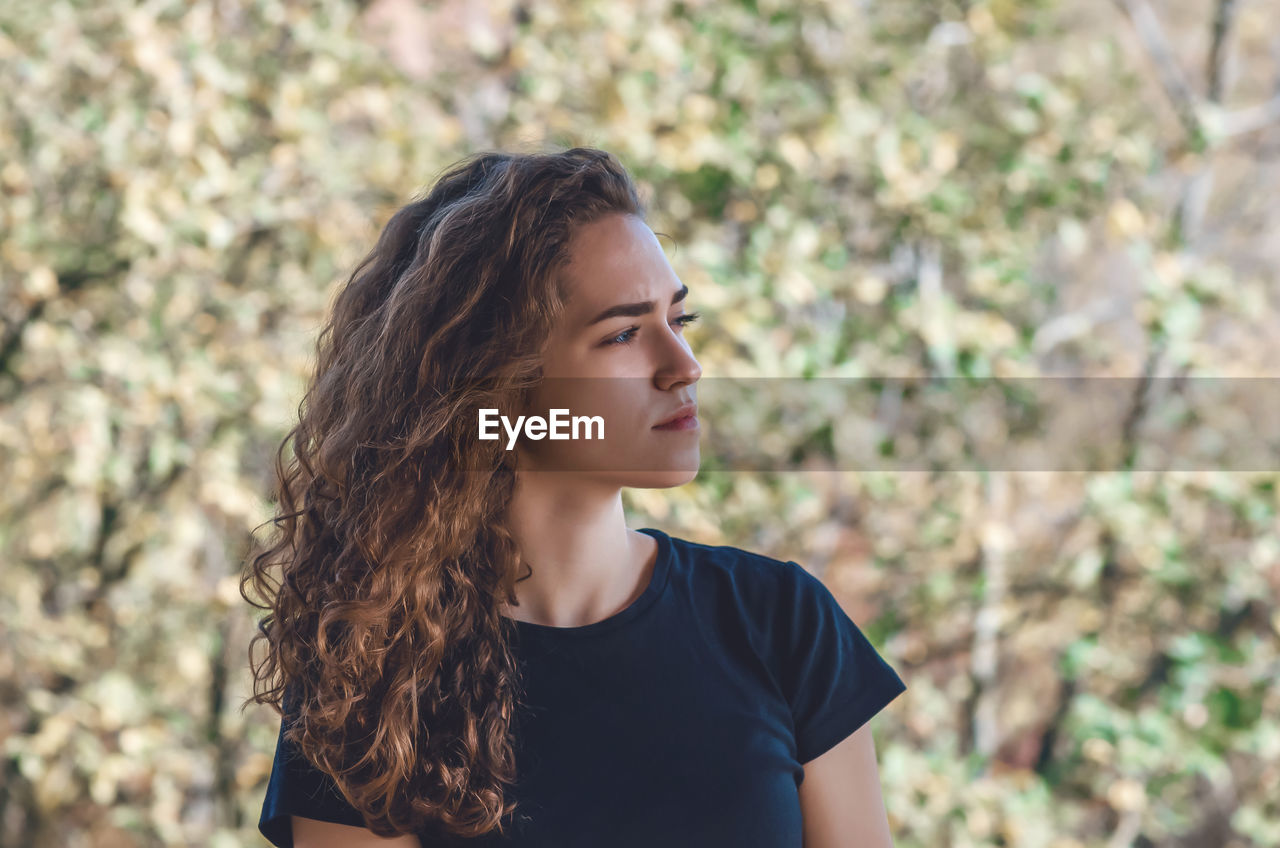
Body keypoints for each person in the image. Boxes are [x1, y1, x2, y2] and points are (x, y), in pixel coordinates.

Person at [242, 147, 907, 848]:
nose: (684, 366)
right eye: (624, 333)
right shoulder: (371, 669)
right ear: (501, 382)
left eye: (678, 321)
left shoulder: (782, 624)